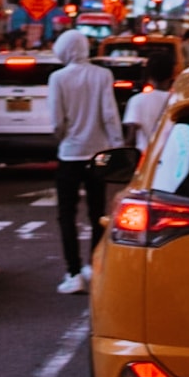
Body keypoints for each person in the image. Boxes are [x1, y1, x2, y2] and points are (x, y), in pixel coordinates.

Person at [49, 27, 124, 295]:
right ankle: (95, 264)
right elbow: (109, 113)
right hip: (98, 153)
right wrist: (116, 145)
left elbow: (56, 121)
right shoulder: (103, 75)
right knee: (97, 212)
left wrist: (64, 137)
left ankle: (73, 272)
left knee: (66, 215)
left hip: (70, 153)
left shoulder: (58, 78)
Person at [124, 68, 172, 154]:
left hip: (144, 158)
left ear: (150, 77)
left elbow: (131, 138)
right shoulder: (175, 100)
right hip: (169, 156)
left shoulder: (136, 100)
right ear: (171, 76)